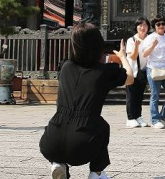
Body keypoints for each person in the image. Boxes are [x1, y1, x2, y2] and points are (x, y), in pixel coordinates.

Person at [40, 22, 134, 179]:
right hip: (81, 146)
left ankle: (57, 163)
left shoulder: (64, 66)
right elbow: (130, 78)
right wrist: (123, 57)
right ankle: (96, 173)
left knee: (58, 126)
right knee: (102, 126)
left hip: (50, 143)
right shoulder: (104, 72)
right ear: (98, 46)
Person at [140, 16, 165, 129]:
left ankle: (164, 117)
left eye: (163, 24)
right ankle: (155, 119)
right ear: (154, 26)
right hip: (153, 68)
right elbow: (144, 54)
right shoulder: (150, 38)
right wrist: (153, 45)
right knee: (155, 95)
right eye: (158, 24)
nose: (161, 26)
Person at [124, 16, 151, 128]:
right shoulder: (131, 40)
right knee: (131, 95)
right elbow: (133, 56)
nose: (142, 27)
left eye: (145, 25)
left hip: (143, 72)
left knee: (140, 95)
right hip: (132, 72)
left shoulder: (149, 39)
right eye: (140, 25)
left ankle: (138, 116)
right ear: (136, 27)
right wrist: (136, 46)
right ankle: (130, 118)